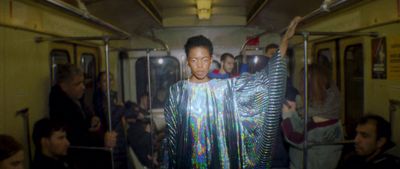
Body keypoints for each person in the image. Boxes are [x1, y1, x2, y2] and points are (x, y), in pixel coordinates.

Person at [164, 16, 302, 168]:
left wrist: (285, 40)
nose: (200, 65)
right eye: (194, 60)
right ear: (188, 62)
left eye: (204, 59)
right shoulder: (176, 92)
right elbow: (172, 135)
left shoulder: (224, 89)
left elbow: (264, 80)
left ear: (211, 60)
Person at [49, 64, 116, 169]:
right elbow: (74, 136)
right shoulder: (61, 106)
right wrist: (102, 140)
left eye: (83, 83)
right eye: (77, 84)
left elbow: (80, 123)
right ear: (64, 86)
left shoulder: (75, 98)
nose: (83, 87)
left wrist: (90, 120)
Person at [281, 63, 343, 169]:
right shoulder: (330, 109)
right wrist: (295, 113)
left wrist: (287, 117)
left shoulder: (320, 124)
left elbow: (295, 137)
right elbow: (304, 127)